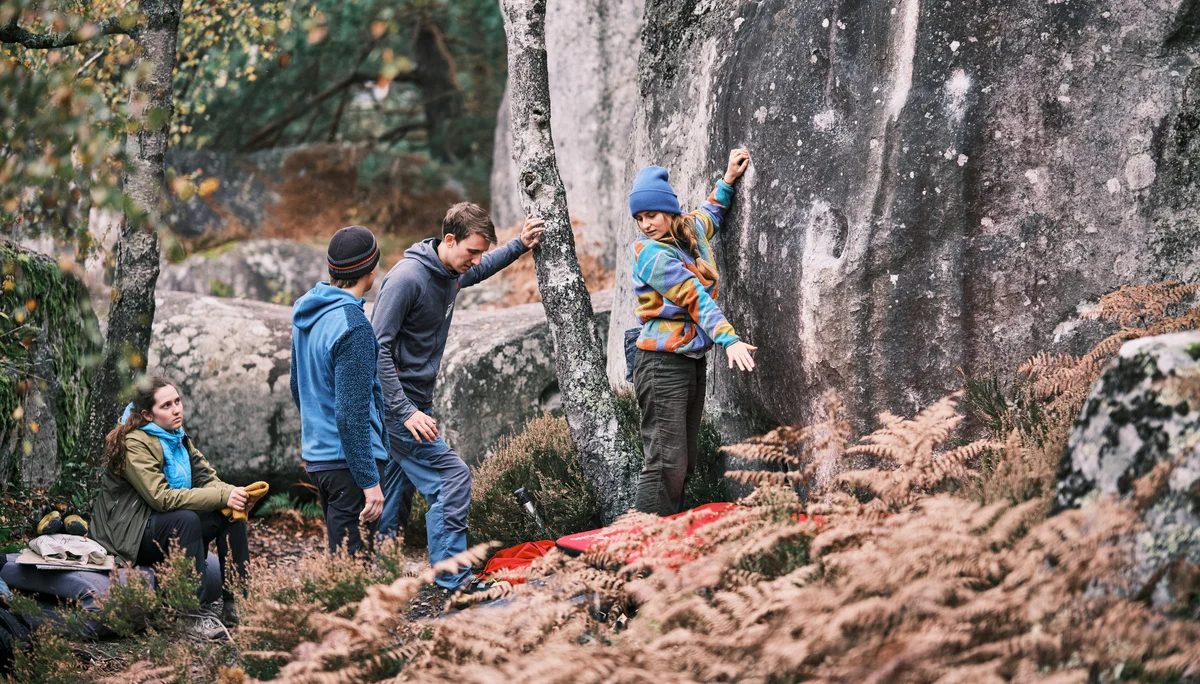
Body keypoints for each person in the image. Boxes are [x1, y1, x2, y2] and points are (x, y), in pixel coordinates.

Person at [373, 202, 544, 591]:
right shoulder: (407, 279)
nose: (476, 259)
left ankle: (382, 574)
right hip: (398, 408)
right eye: (471, 251)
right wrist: (404, 412)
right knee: (452, 476)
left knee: (397, 491)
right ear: (449, 240)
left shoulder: (449, 270)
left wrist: (520, 244)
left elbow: (479, 270)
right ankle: (455, 581)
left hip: (416, 404)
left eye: (481, 251)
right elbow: (376, 348)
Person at [628, 148, 756, 516]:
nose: (645, 224)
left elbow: (711, 211)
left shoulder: (689, 230)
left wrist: (729, 178)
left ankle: (664, 544)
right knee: (665, 463)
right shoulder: (650, 254)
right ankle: (638, 551)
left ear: (670, 211)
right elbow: (693, 297)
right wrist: (728, 339)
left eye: (651, 214)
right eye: (639, 218)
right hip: (660, 364)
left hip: (690, 361)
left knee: (682, 465)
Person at [90, 375, 251, 638]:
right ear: (147, 414)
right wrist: (222, 496)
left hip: (159, 525)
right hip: (128, 533)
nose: (177, 409)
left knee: (231, 514)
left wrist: (234, 494)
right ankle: (189, 616)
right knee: (185, 519)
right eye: (166, 405)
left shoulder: (177, 436)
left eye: (177, 401)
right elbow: (162, 498)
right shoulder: (135, 443)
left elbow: (206, 478)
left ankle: (236, 604)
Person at [290, 225, 390, 555]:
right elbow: (350, 414)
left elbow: (297, 386)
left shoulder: (306, 312)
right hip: (350, 466)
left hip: (319, 461)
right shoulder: (353, 325)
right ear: (372, 268)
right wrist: (369, 482)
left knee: (342, 560)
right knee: (354, 569)